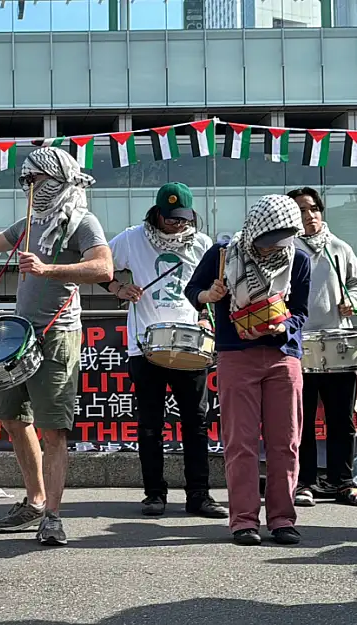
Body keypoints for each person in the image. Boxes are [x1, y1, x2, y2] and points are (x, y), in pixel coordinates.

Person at [0, 146, 113, 547]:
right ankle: (34, 500)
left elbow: (104, 266)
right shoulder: (30, 222)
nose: (28, 187)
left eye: (34, 180)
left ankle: (52, 514)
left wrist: (48, 268)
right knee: (14, 419)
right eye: (26, 181)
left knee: (53, 429)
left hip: (57, 334)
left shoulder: (81, 223)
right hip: (19, 336)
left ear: (55, 179)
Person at [184, 194, 310, 546]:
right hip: (236, 354)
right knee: (240, 442)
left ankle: (283, 519)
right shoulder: (223, 253)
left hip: (283, 356)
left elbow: (300, 310)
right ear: (255, 228)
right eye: (267, 240)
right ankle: (243, 520)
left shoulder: (298, 259)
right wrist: (210, 295)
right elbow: (191, 289)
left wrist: (284, 327)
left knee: (286, 441)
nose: (272, 249)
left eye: (282, 241)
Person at [101, 182, 226, 519]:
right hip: (145, 343)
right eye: (170, 218)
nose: (176, 224)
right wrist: (117, 287)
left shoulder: (202, 244)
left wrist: (205, 316)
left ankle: (199, 495)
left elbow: (215, 289)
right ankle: (154, 493)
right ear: (157, 213)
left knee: (196, 422)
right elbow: (99, 263)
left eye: (182, 219)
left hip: (190, 342)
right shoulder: (132, 238)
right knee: (150, 423)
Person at [287, 187, 357, 508]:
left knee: (342, 419)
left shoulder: (339, 247)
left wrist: (353, 299)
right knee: (302, 419)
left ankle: (343, 482)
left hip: (339, 343)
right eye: (300, 211)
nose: (308, 216)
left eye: (313, 209)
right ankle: (304, 482)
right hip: (299, 342)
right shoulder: (285, 249)